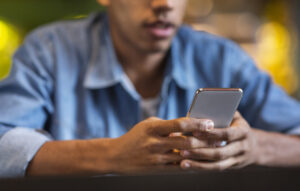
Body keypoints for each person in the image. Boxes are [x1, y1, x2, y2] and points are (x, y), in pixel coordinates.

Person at [1, 0, 300, 178]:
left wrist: (255, 147)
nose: (165, 4)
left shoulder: (224, 59)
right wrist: (112, 153)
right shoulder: (48, 52)